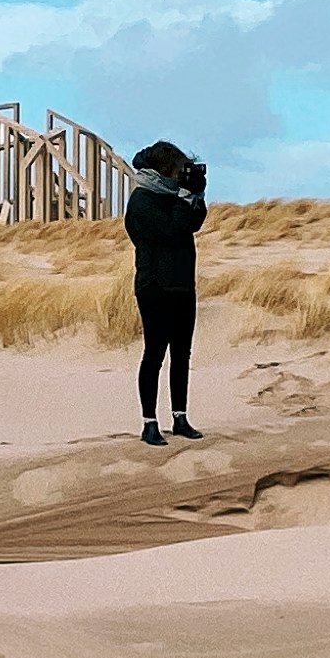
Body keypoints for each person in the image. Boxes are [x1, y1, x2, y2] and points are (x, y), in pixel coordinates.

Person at [124, 138, 208, 442]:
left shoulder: (174, 196)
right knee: (155, 354)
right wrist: (184, 198)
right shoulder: (142, 201)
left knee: (181, 355)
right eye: (177, 171)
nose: (179, 177)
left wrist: (196, 195)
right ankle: (149, 423)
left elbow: (192, 223)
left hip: (183, 284)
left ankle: (180, 418)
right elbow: (172, 231)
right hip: (155, 286)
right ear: (163, 170)